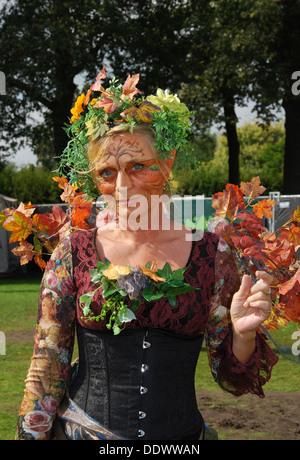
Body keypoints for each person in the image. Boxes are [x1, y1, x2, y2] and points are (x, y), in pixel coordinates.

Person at [15, 69, 278, 441]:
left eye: (138, 166)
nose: (122, 187)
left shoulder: (212, 255)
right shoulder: (73, 254)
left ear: (167, 163)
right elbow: (45, 372)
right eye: (107, 173)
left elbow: (231, 379)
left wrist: (243, 335)